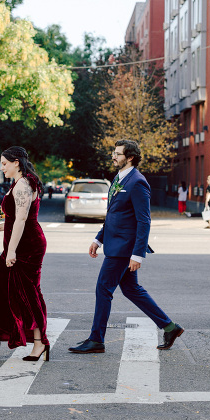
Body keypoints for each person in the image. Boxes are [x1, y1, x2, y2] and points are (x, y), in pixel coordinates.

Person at [69, 140, 184, 354]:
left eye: (117, 153)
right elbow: (114, 214)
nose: (113, 156)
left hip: (124, 248)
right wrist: (98, 239)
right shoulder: (119, 178)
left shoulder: (138, 182)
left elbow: (144, 220)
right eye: (114, 152)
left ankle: (96, 340)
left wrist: (138, 255)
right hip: (114, 244)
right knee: (132, 290)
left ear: (129, 157)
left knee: (103, 289)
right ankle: (170, 327)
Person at [0, 146, 49, 362]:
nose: (2, 167)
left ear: (16, 162)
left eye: (4, 163)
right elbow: (15, 219)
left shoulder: (23, 185)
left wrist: (12, 251)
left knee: (29, 295)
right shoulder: (19, 183)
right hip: (19, 243)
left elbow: (23, 220)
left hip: (28, 247)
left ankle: (39, 343)